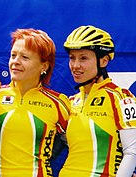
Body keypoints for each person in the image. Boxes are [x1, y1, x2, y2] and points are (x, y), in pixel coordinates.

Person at [58, 25, 136, 177]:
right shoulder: (70, 102)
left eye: (83, 58)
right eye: (72, 58)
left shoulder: (122, 98)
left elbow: (132, 151)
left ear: (104, 60)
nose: (75, 65)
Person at [0, 28, 70, 177]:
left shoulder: (58, 103)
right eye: (13, 55)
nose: (15, 61)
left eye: (25, 57)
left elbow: (82, 145)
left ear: (44, 66)